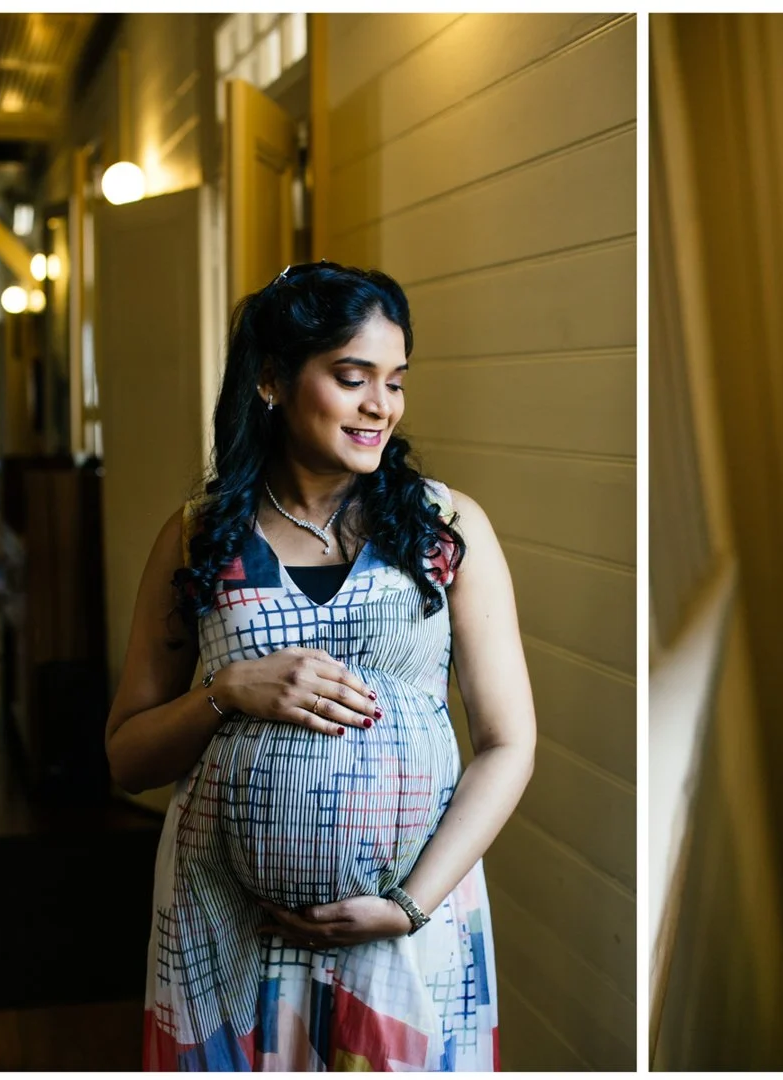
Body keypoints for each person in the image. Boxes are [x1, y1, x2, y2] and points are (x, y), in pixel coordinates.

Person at [104, 262, 536, 1070]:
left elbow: (509, 742)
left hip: (407, 929)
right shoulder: (200, 538)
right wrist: (226, 693)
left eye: (396, 381)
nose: (381, 405)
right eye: (352, 377)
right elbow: (125, 756)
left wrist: (409, 906)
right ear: (272, 380)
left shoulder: (445, 528)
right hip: (223, 928)